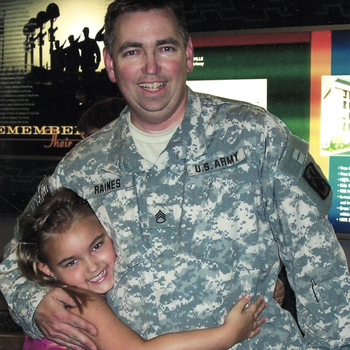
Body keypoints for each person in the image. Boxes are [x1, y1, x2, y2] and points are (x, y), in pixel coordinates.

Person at [1, 0, 350, 349]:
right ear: (110, 64)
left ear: (187, 54)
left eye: (165, 48)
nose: (151, 67)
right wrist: (34, 303)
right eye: (132, 52)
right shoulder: (82, 165)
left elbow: (319, 265)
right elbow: (16, 260)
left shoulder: (255, 136)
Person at [18, 187, 267, 350]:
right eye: (71, 262)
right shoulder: (80, 302)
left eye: (96, 246)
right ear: (47, 270)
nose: (92, 266)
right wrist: (228, 334)